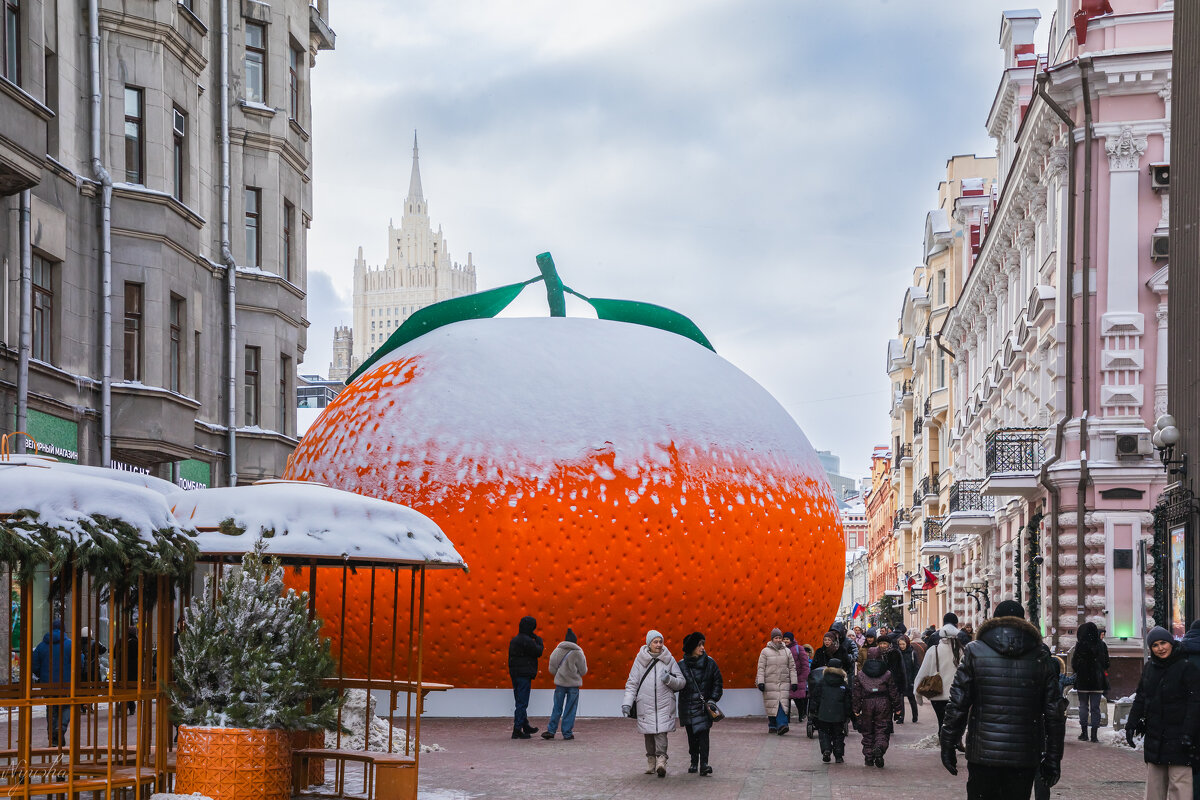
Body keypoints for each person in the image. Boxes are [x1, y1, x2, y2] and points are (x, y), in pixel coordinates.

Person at [940, 600, 1065, 800]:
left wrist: (948, 743)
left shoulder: (974, 651)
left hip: (983, 753)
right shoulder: (1040, 655)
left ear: (994, 620)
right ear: (1023, 621)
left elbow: (958, 703)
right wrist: (1053, 758)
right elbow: (1054, 713)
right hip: (1023, 754)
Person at [1126, 627, 1200, 800]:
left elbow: (1195, 704)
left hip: (1181, 739)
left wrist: (1188, 733)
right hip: (1156, 737)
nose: (1160, 648)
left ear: (1171, 643)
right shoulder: (1149, 669)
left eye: (1164, 643)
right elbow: (1141, 698)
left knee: (1180, 787)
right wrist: (1131, 724)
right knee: (1154, 788)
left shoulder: (1186, 668)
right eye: (1155, 645)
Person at [622, 630, 685, 777]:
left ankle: (661, 761)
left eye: (660, 642)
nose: (658, 645)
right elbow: (632, 683)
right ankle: (651, 761)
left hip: (664, 704)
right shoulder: (640, 660)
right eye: (655, 642)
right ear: (649, 643)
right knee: (649, 734)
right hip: (645, 703)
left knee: (661, 733)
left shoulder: (669, 660)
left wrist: (669, 679)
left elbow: (681, 682)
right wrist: (627, 703)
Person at [677, 631, 723, 777]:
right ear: (691, 648)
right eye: (699, 645)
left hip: (704, 707)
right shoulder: (681, 665)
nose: (702, 647)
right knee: (691, 737)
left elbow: (718, 682)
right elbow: (676, 684)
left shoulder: (710, 663)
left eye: (703, 644)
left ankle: (703, 764)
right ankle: (693, 761)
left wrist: (713, 699)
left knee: (703, 736)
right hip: (688, 706)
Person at [853, 646, 901, 767]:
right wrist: (898, 707)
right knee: (882, 728)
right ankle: (879, 747)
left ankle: (869, 756)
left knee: (867, 730)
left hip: (867, 703)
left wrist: (856, 709)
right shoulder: (887, 673)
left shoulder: (861, 674)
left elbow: (856, 693)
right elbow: (893, 691)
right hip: (883, 702)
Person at [913, 614, 963, 730]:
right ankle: (952, 744)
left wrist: (917, 694)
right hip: (956, 695)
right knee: (953, 724)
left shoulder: (933, 650)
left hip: (937, 694)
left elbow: (922, 672)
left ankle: (945, 745)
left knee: (942, 723)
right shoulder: (961, 651)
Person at [31, 618, 73, 746]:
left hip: (48, 685)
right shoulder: (70, 644)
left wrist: (43, 676)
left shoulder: (41, 645)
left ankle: (52, 735)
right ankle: (60, 729)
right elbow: (80, 662)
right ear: (64, 630)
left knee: (51, 709)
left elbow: (34, 665)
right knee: (66, 707)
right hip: (65, 684)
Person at [542, 627, 586, 740]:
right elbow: (583, 671)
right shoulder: (578, 653)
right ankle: (567, 733)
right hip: (573, 686)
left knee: (557, 707)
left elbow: (551, 669)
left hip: (560, 684)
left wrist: (560, 674)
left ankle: (551, 730)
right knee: (570, 709)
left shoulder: (556, 651)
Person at [1071, 621, 1110, 742]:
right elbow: (1106, 663)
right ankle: (1094, 735)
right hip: (1097, 681)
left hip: (1083, 681)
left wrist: (1082, 669)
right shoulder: (1102, 645)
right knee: (1095, 708)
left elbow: (1074, 664)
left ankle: (1084, 733)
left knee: (1083, 707)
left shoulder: (1080, 646)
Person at [808, 657, 852, 764]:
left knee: (824, 733)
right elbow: (848, 702)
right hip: (838, 715)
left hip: (823, 713)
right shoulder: (843, 685)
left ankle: (826, 750)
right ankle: (838, 756)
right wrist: (848, 714)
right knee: (838, 735)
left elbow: (815, 698)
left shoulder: (821, 683)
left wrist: (813, 710)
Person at [508, 615, 544, 739]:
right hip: (524, 675)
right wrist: (539, 640)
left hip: (515, 674)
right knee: (522, 702)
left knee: (519, 700)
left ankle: (525, 725)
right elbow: (538, 651)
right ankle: (517, 729)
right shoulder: (527, 641)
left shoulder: (515, 640)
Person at [757, 627, 798, 735]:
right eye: (776, 638)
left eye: (780, 637)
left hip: (783, 683)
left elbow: (792, 668)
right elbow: (761, 668)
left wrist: (794, 682)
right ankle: (773, 725)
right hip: (769, 683)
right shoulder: (765, 652)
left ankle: (782, 725)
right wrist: (760, 682)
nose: (779, 640)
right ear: (772, 639)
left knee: (782, 704)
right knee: (772, 705)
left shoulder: (787, 651)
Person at [784, 631, 811, 722]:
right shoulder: (782, 649)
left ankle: (801, 714)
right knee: (786, 699)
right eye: (784, 639)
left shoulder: (798, 648)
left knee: (798, 698)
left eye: (787, 639)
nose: (785, 641)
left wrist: (803, 677)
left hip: (798, 678)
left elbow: (805, 664)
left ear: (791, 640)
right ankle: (786, 718)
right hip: (786, 678)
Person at [895, 634, 919, 723]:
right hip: (900, 680)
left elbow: (916, 667)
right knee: (900, 700)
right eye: (900, 644)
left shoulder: (913, 653)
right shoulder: (897, 653)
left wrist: (914, 679)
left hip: (910, 679)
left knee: (911, 698)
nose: (901, 646)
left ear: (907, 643)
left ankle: (915, 716)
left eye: (903, 644)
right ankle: (901, 718)